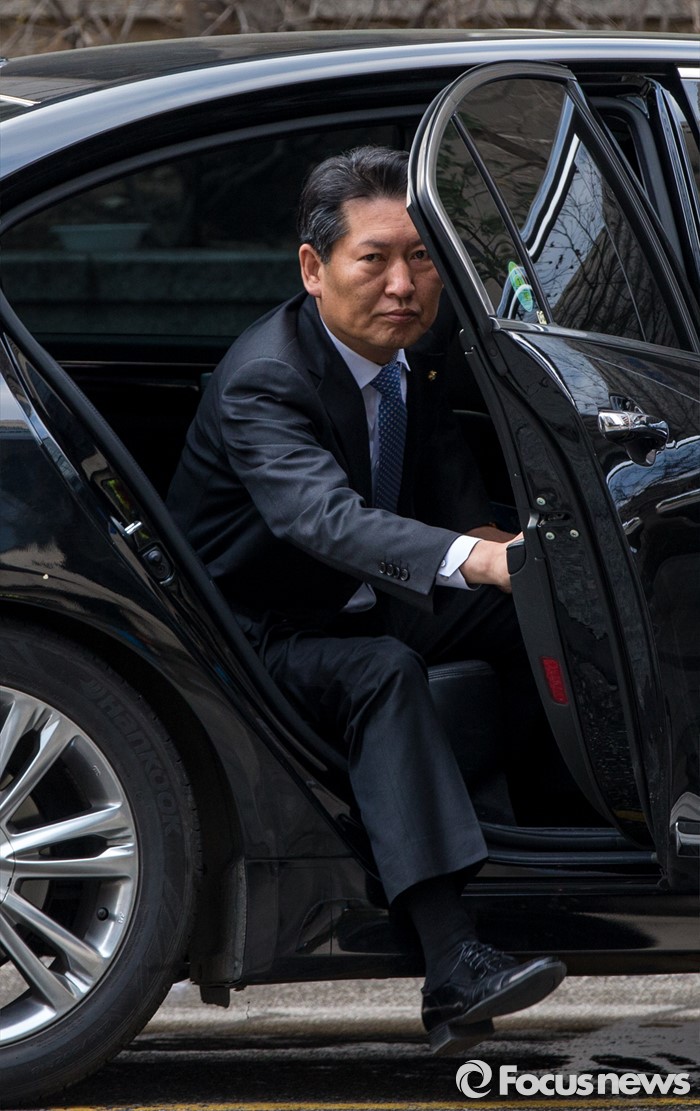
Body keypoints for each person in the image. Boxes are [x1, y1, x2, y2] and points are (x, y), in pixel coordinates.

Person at [167, 145, 566, 1055]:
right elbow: (324, 518)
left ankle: (568, 828)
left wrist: (522, 556)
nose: (403, 285)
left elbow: (455, 500)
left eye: (422, 258)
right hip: (251, 635)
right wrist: (477, 557)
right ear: (313, 268)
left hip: (360, 597)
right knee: (383, 671)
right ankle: (452, 961)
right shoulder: (268, 376)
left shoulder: (409, 362)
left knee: (543, 605)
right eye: (375, 259)